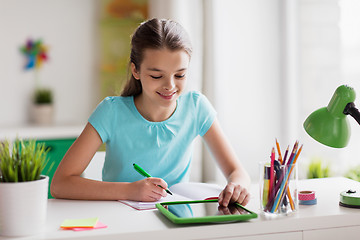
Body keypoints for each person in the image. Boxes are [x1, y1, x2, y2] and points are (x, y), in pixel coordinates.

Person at [51, 18, 251, 207]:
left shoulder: (196, 107)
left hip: (175, 220)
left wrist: (237, 186)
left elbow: (237, 172)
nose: (170, 86)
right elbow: (60, 184)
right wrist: (130, 190)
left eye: (180, 74)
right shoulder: (111, 112)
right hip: (120, 221)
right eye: (157, 76)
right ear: (135, 71)